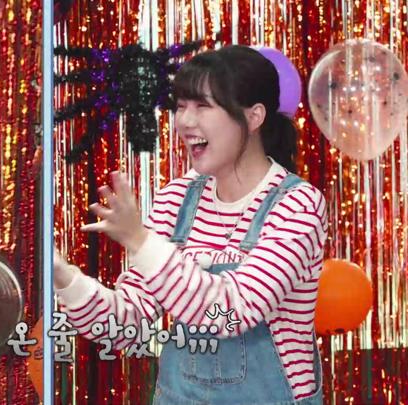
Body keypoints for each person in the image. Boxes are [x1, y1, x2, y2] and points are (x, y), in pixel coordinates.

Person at [54, 45, 327, 404]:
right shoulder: (176, 198)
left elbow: (231, 312)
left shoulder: (298, 205)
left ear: (254, 117)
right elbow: (127, 325)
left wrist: (140, 241)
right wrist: (64, 276)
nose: (183, 121)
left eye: (202, 106)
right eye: (181, 106)